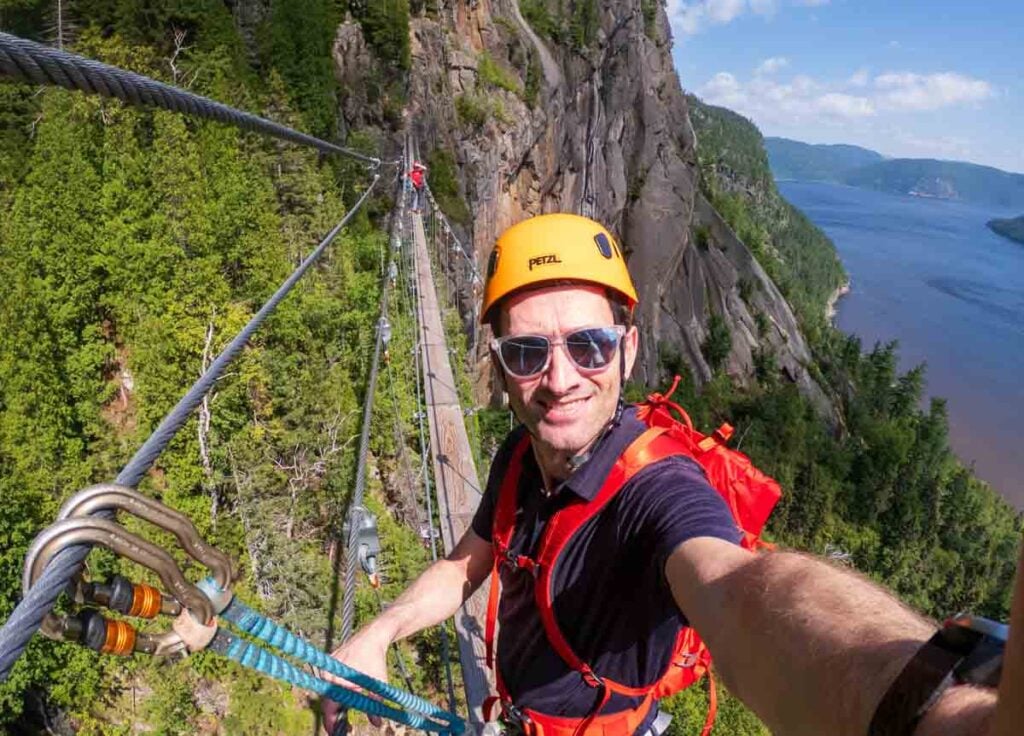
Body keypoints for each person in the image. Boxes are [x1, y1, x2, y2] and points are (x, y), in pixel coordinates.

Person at [324, 213, 1008, 736]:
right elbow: (465, 567)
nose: (559, 380)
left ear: (629, 351)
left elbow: (738, 592)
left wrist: (932, 705)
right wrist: (379, 632)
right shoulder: (517, 455)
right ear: (500, 367)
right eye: (528, 352)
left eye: (589, 346)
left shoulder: (659, 491)